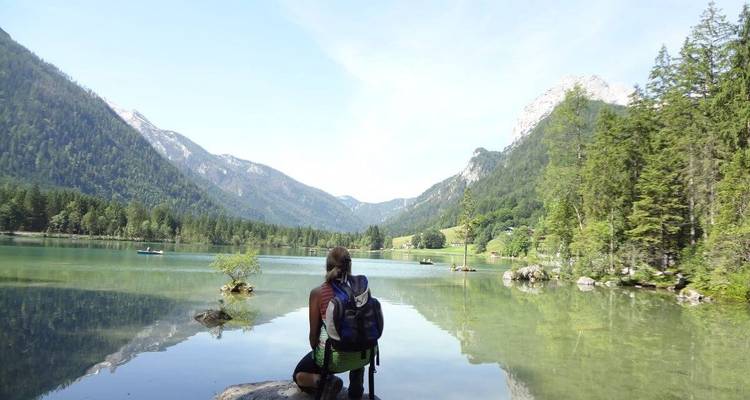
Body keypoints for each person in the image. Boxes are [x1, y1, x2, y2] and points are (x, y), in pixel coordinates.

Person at [293, 247, 367, 399]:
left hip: (333, 359)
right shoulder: (362, 289)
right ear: (349, 266)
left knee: (298, 375)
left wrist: (317, 352)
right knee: (355, 339)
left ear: (327, 266)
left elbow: (313, 338)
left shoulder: (318, 293)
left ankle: (325, 381)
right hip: (363, 356)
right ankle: (356, 391)